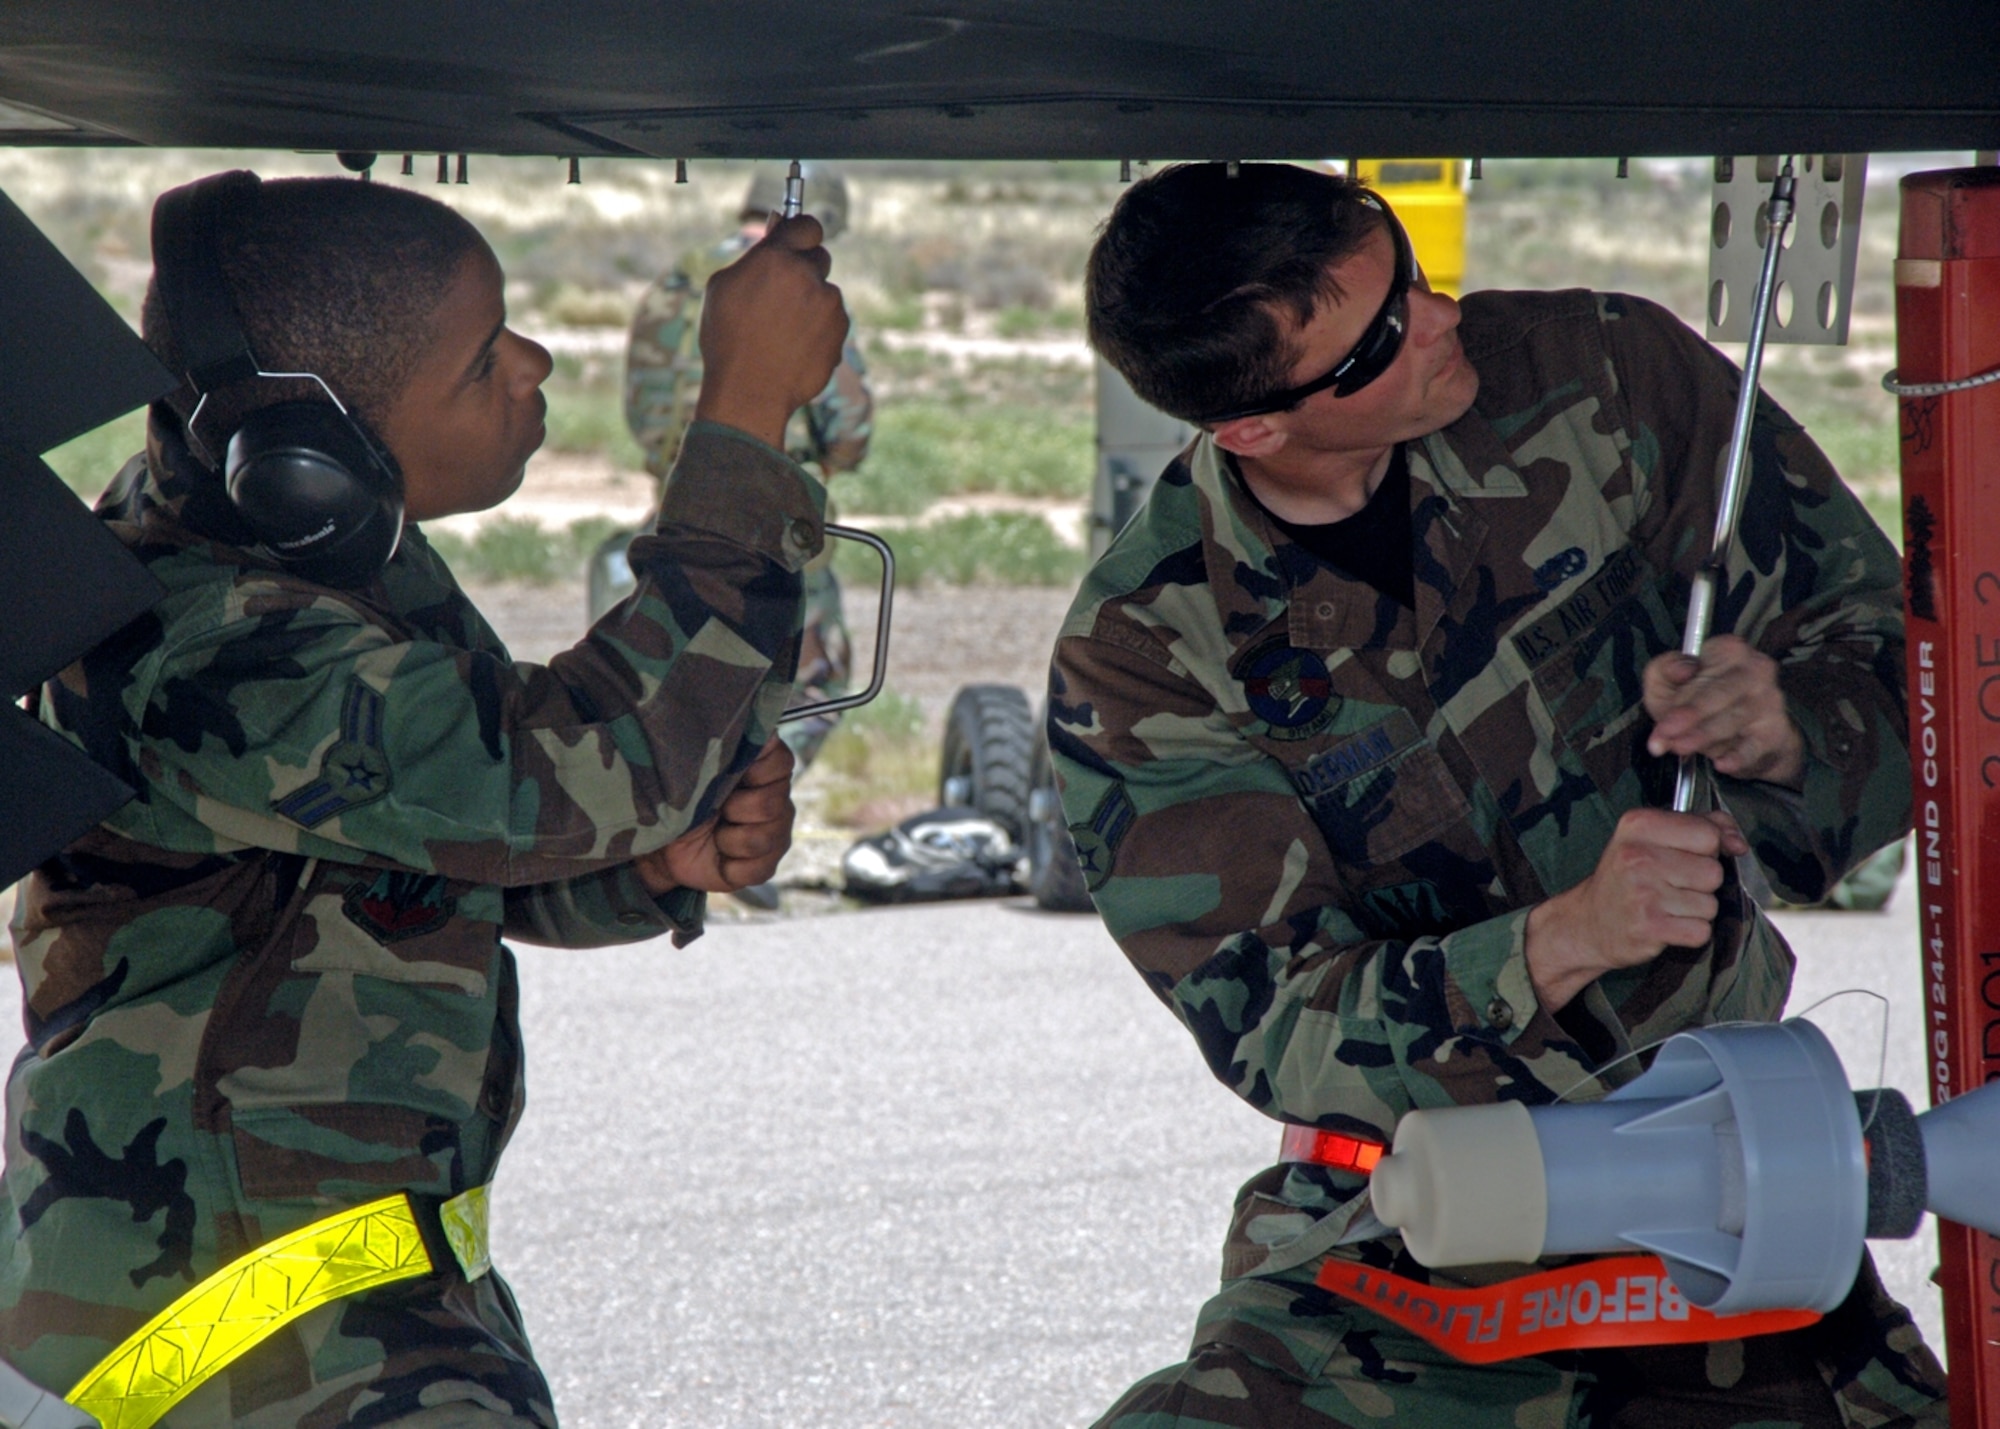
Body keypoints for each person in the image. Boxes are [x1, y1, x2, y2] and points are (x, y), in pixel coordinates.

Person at [1048, 162, 1943, 1427]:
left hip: (1720, 1202)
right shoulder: (1150, 652)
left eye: (1408, 276)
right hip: (1404, 1243)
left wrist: (1791, 730)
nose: (1437, 320)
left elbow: (1914, 660)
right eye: (1371, 349)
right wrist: (1558, 941)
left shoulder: (1603, 379)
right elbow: (1276, 1023)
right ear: (1249, 425)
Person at [1, 172, 846, 1425]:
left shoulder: (295, 563)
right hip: (243, 1332)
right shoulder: (217, 647)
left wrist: (655, 868)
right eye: (482, 360)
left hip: (315, 1297)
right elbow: (586, 762)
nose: (534, 363)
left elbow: (421, 860)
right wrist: (743, 410)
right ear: (306, 464)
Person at [618, 164, 872, 777]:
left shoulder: (679, 282)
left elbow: (642, 407)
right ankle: (742, 811)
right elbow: (847, 430)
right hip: (773, 514)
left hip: (679, 504)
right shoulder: (795, 290)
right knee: (814, 675)